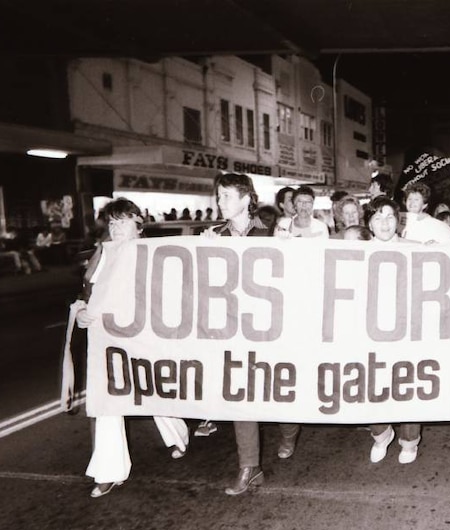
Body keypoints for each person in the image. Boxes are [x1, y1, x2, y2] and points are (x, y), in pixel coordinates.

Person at [74, 197, 189, 498]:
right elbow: (88, 296)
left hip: (147, 338)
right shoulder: (103, 256)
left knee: (153, 390)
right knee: (108, 402)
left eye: (122, 221)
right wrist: (83, 313)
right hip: (110, 341)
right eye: (111, 222)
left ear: (139, 225)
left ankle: (177, 436)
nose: (115, 228)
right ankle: (108, 471)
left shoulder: (156, 255)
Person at [202, 173, 302, 495]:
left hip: (269, 329)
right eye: (219, 197)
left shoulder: (272, 231)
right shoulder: (214, 235)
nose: (220, 202)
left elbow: (298, 274)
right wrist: (202, 250)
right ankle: (250, 467)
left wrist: (289, 248)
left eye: (227, 196)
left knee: (275, 394)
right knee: (240, 397)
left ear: (246, 199)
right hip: (233, 330)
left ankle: (289, 429)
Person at [363, 196, 422, 464]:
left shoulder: (417, 249)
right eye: (378, 217)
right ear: (369, 224)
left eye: (389, 216)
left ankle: (409, 441)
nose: (384, 223)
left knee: (409, 384)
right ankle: (381, 433)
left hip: (408, 330)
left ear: (398, 220)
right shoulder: (354, 251)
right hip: (369, 332)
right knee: (371, 383)